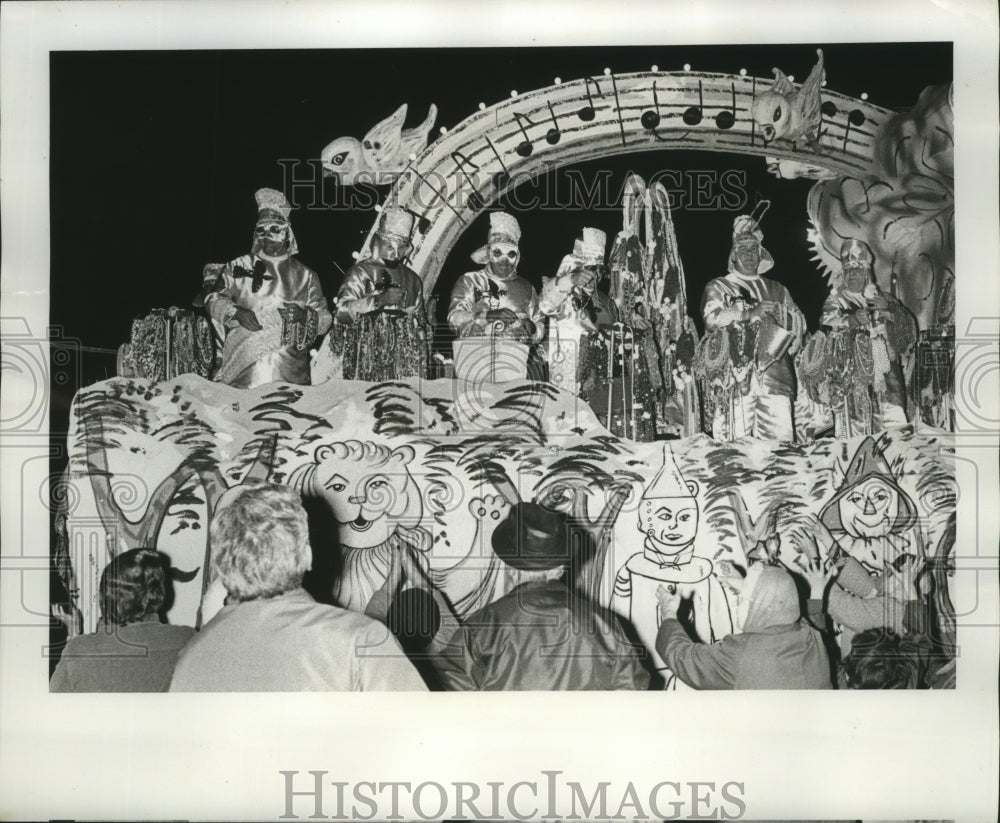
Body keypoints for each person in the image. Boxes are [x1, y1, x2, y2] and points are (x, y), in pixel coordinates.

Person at [169, 482, 426, 691]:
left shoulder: (191, 656)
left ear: (225, 565)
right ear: (307, 555)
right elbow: (426, 746)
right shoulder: (362, 641)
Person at [434, 501, 651, 690]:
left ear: (509, 565)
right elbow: (631, 694)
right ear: (561, 567)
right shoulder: (605, 624)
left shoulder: (481, 626)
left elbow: (453, 698)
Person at [202, 188, 332, 388]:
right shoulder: (237, 266)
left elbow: (324, 320)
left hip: (290, 373)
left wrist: (304, 316)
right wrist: (236, 312)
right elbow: (212, 298)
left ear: (287, 231)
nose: (266, 236)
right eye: (261, 230)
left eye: (274, 229)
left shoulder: (306, 275)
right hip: (244, 372)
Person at [698, 213, 806, 441]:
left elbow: (800, 326)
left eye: (753, 249)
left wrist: (782, 317)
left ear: (761, 254)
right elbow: (711, 319)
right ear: (733, 256)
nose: (749, 254)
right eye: (743, 249)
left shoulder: (778, 289)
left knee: (780, 449)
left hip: (776, 376)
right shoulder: (719, 286)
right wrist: (749, 313)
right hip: (734, 380)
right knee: (732, 450)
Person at [655, 563, 831, 689]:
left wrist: (669, 613)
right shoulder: (810, 634)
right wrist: (746, 586)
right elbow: (792, 609)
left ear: (760, 605)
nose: (737, 603)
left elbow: (684, 658)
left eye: (741, 600)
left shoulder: (740, 654)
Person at [50, 549, 193, 692]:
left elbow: (55, 704)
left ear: (105, 596)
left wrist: (73, 639)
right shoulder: (188, 640)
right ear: (159, 593)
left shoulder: (78, 651)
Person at [814, 238, 918, 435]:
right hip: (851, 376)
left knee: (894, 425)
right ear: (842, 274)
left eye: (857, 269)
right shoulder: (835, 299)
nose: (852, 274)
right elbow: (826, 323)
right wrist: (851, 320)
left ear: (866, 272)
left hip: (887, 376)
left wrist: (891, 312)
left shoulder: (884, 299)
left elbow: (910, 333)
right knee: (855, 429)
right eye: (848, 270)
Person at [327, 207, 429, 381]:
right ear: (379, 242)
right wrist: (378, 300)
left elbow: (420, 323)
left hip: (405, 361)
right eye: (389, 245)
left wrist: (422, 329)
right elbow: (341, 313)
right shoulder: (361, 272)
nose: (395, 253)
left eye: (401, 246)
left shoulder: (413, 279)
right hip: (367, 359)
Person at [448, 211, 544, 345]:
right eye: (498, 252)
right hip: (477, 356)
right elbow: (454, 319)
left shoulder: (527, 287)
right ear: (489, 253)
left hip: (516, 358)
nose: (504, 261)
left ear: (517, 257)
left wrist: (531, 327)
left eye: (511, 254)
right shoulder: (470, 280)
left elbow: (540, 324)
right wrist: (488, 316)